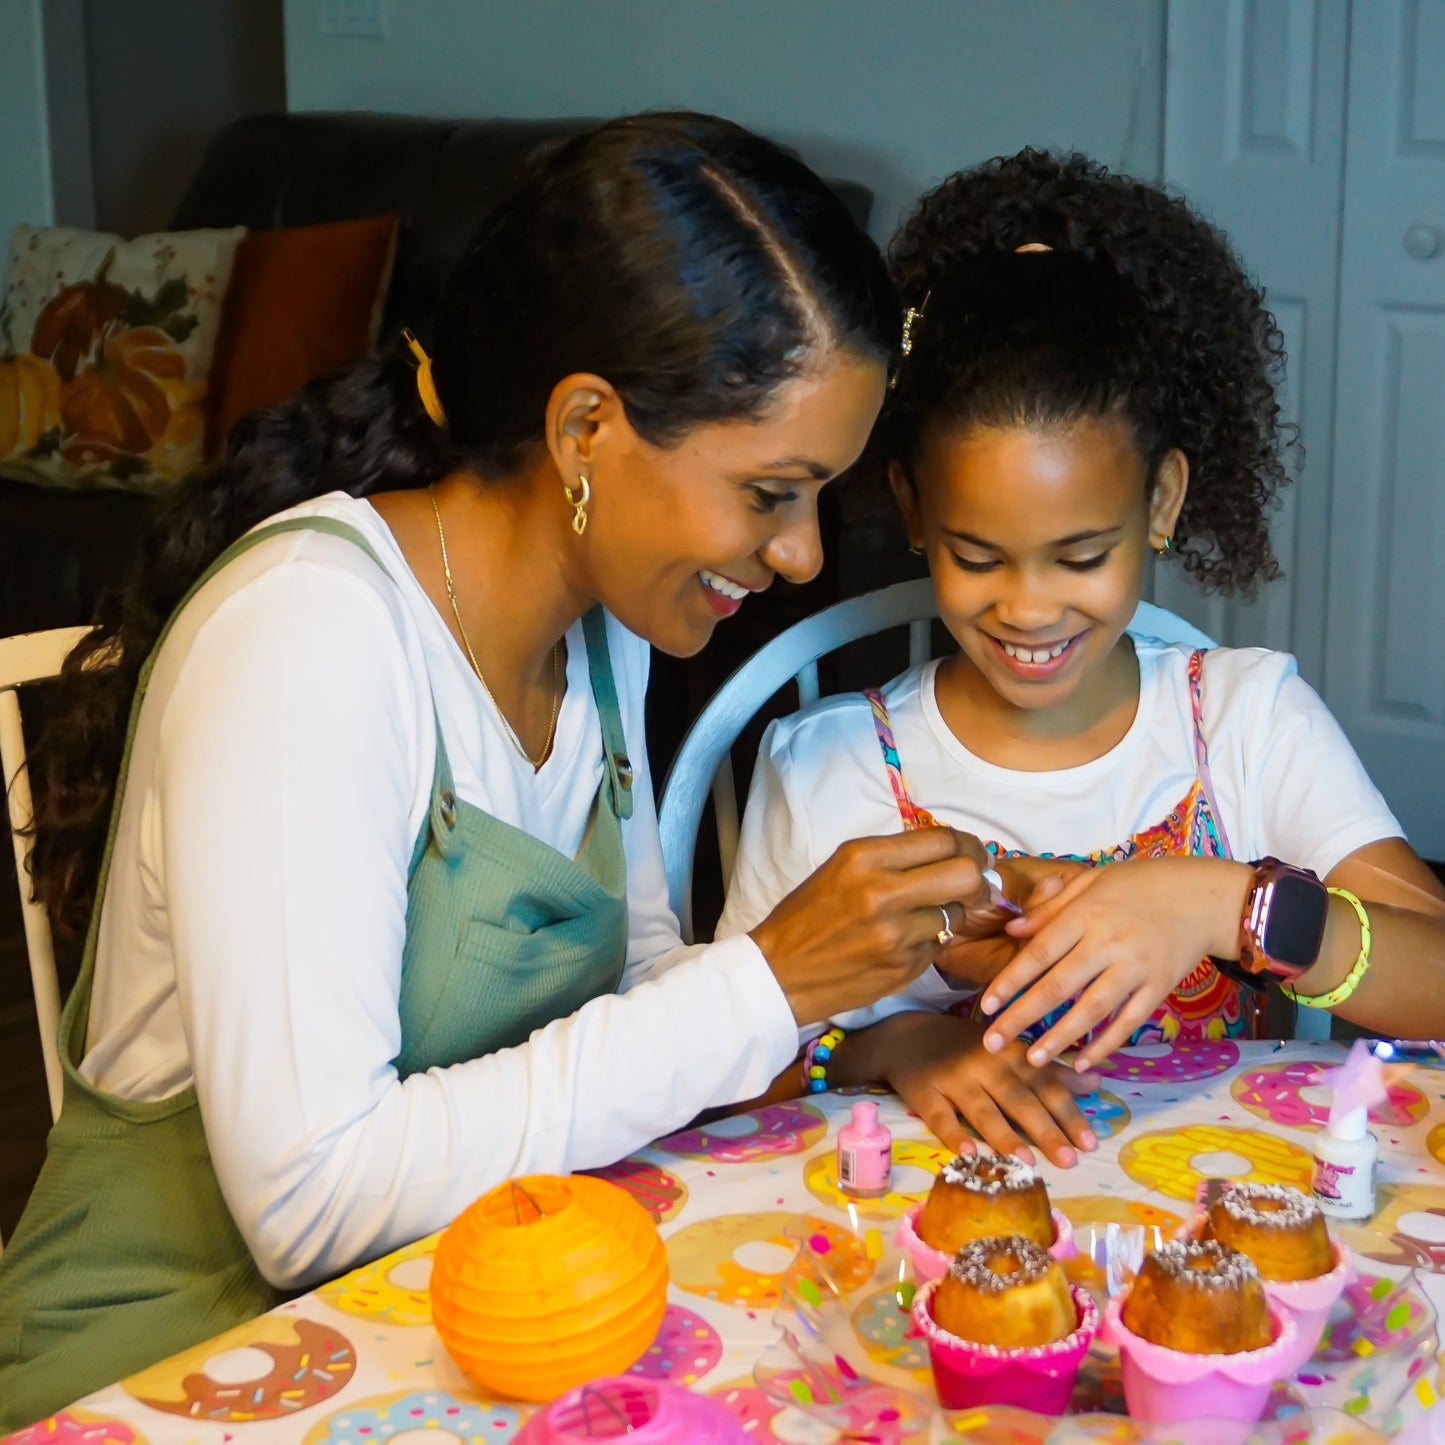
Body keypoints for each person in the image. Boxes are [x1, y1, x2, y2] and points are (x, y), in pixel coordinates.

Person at [0, 114, 996, 1425]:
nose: (805, 554)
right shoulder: (313, 641)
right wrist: (766, 977)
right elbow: (310, 1202)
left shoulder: (603, 635)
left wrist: (871, 984)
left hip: (446, 1319)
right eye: (771, 492)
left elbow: (634, 996)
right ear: (587, 428)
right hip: (182, 1365)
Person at [718, 148, 1445, 1172]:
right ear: (914, 510)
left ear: (1159, 503)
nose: (1026, 606)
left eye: (1079, 555)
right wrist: (895, 1037)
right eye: (978, 557)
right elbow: (724, 1073)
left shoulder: (1241, 723)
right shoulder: (828, 767)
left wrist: (1213, 902)